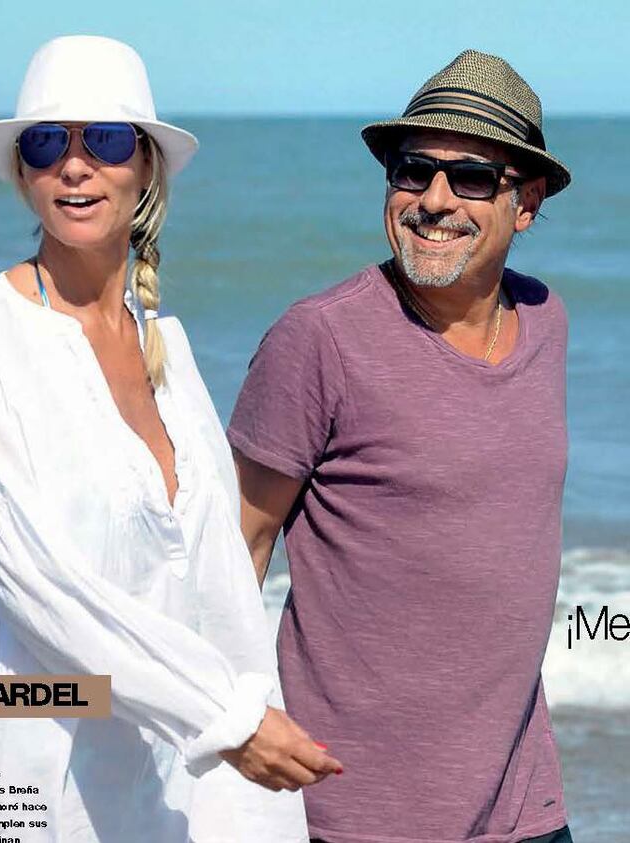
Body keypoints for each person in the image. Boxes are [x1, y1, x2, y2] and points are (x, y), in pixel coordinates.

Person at [0, 35, 341, 843]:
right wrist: (223, 717)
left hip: (170, 789)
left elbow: (217, 581)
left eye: (105, 140)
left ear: (145, 165)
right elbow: (34, 583)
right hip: (35, 786)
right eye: (48, 144)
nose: (74, 166)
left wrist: (254, 798)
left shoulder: (169, 350)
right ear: (23, 172)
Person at [227, 50, 574, 843]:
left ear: (525, 202)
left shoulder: (545, 320)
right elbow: (231, 550)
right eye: (412, 171)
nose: (434, 200)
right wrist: (235, 716)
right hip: (355, 813)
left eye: (473, 178)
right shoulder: (319, 338)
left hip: (525, 808)